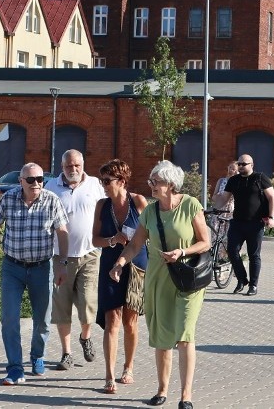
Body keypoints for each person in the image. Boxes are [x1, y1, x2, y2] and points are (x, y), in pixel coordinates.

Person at [109, 160, 210, 409]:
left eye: (156, 181)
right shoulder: (151, 211)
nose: (151, 185)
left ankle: (186, 396)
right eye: (151, 181)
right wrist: (120, 263)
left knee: (185, 334)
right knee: (162, 336)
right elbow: (135, 244)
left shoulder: (190, 205)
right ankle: (162, 390)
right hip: (158, 279)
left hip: (187, 278)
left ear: (171, 184)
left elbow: (205, 242)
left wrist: (183, 251)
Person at [0, 162, 69, 385]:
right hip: (12, 267)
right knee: (9, 318)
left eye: (40, 179)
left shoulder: (51, 200)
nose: (36, 184)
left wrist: (62, 264)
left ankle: (37, 356)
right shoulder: (9, 198)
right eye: (30, 180)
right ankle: (14, 367)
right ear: (20, 181)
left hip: (42, 267)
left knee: (42, 319)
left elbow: (62, 232)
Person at [45, 150, 106, 371]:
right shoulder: (51, 187)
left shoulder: (95, 185)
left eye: (77, 165)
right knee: (62, 306)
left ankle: (85, 337)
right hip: (61, 257)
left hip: (89, 254)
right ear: (62, 166)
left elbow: (106, 211)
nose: (73, 170)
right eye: (69, 166)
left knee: (88, 302)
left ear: (83, 164)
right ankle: (66, 353)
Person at [91, 159, 148, 394]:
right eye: (101, 180)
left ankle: (128, 367)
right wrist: (113, 239)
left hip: (136, 266)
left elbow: (149, 233)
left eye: (107, 181)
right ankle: (109, 376)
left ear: (121, 181)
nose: (103, 185)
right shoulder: (101, 205)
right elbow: (94, 240)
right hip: (109, 265)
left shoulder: (139, 202)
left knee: (130, 321)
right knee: (111, 320)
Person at [221, 154, 274, 296]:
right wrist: (209, 208)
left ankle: (253, 285)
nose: (240, 166)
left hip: (256, 223)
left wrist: (271, 217)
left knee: (254, 255)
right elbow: (223, 199)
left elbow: (272, 198)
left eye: (243, 164)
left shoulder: (260, 178)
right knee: (232, 251)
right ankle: (242, 280)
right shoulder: (233, 180)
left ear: (251, 165)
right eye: (239, 164)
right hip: (237, 223)